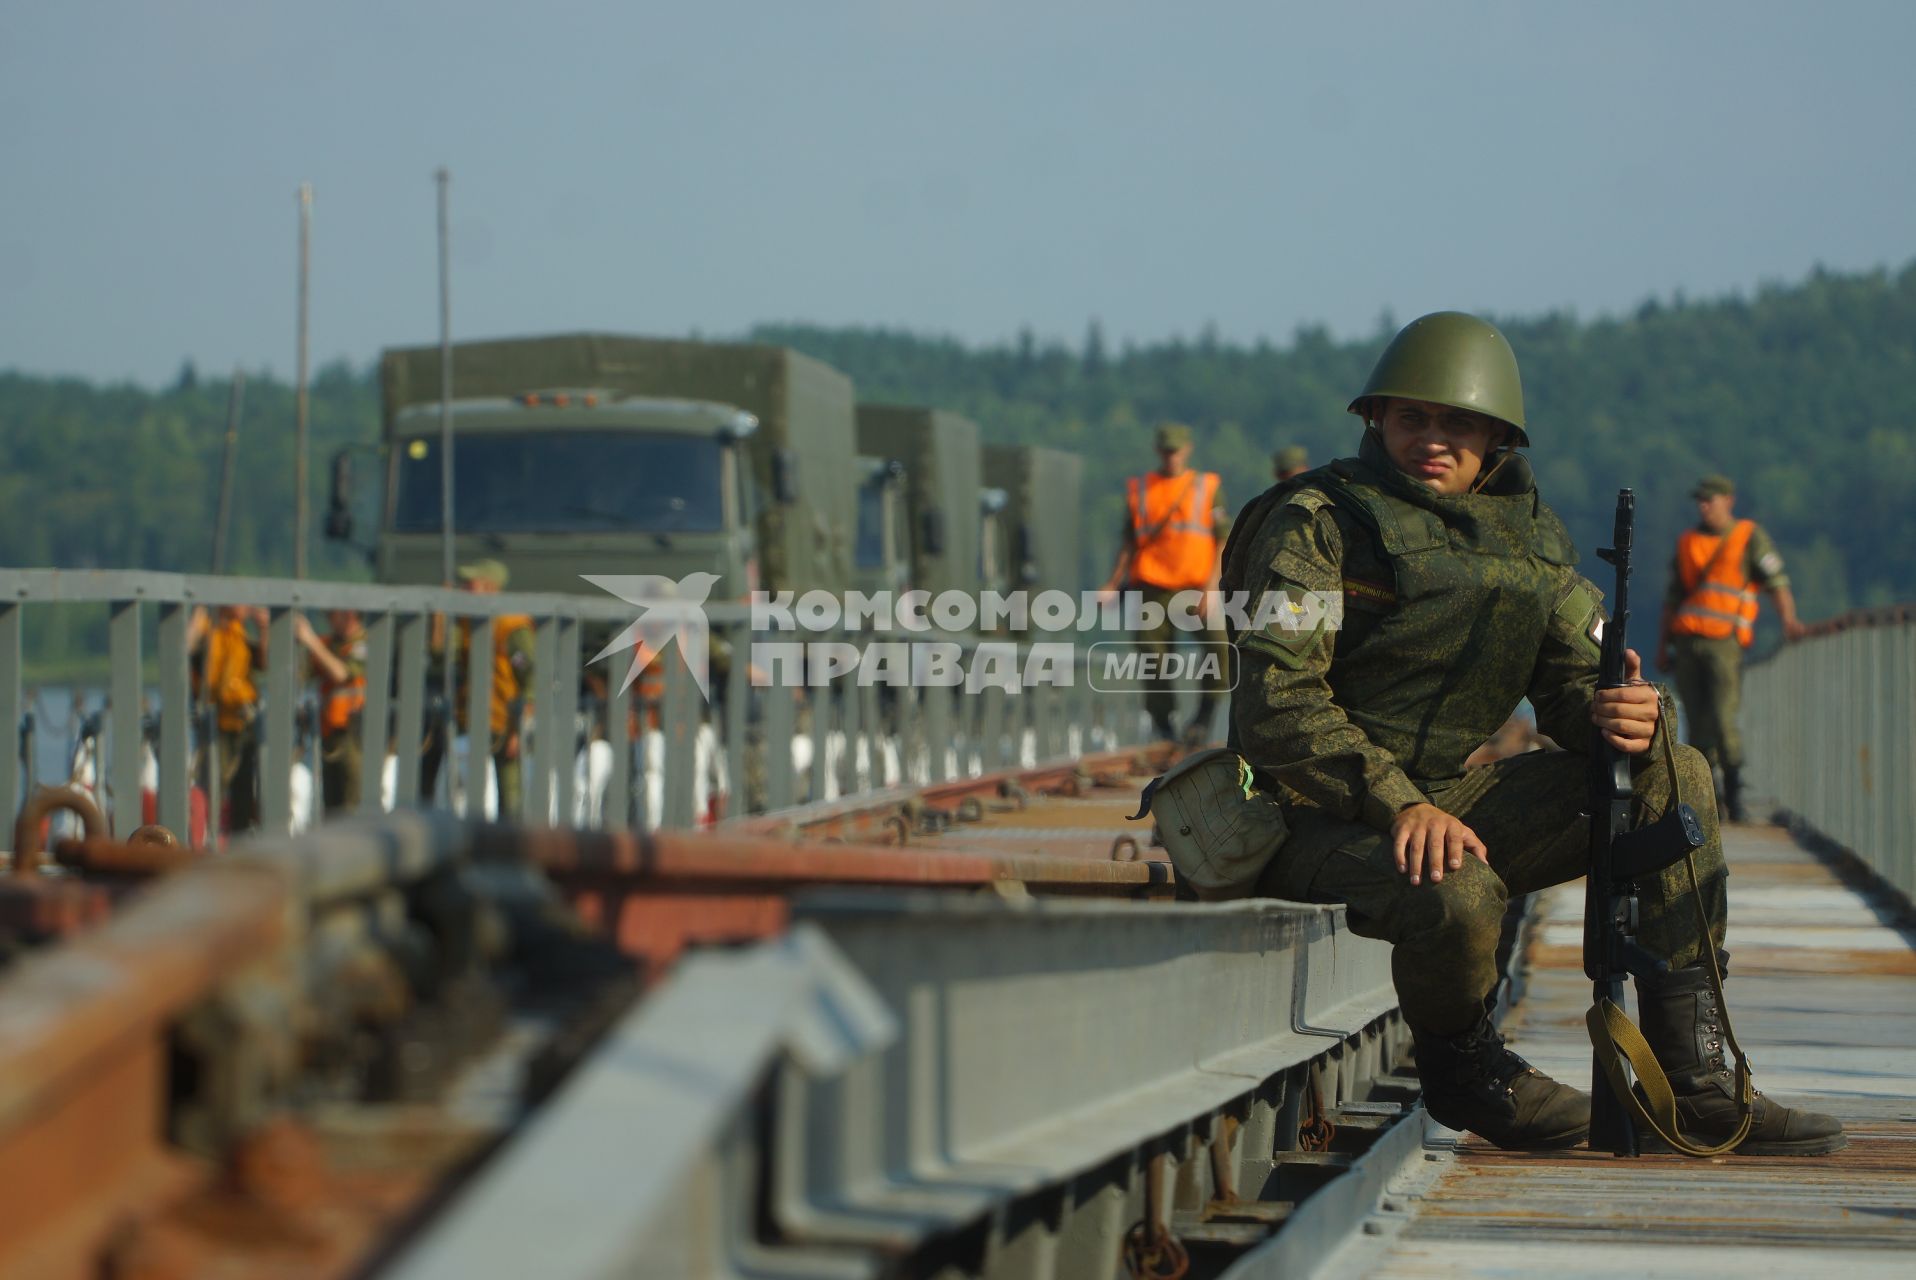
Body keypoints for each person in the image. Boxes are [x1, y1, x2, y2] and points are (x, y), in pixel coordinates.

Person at [1222, 311, 1842, 1156]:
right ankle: (1468, 1072)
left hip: (1439, 798)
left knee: (1675, 767)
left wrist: (1622, 708)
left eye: (1457, 424)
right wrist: (1401, 804)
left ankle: (1695, 1080)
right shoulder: (1317, 520)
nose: (1432, 440)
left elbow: (1571, 682)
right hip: (1311, 817)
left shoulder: (1527, 538)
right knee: (1462, 890)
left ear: (1496, 440)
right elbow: (1278, 705)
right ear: (1376, 420)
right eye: (1412, 419)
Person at [1656, 474, 1804, 822]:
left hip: (1725, 644)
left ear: (1729, 501)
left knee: (1724, 720)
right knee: (1697, 725)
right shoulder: (1688, 542)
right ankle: (1708, 801)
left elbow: (1776, 582)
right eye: (1700, 501)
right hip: (1688, 643)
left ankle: (1735, 798)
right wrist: (1663, 647)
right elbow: (1672, 600)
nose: (1704, 506)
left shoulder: (1747, 537)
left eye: (1711, 499)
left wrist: (1790, 622)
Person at [1101, 423, 1230, 745]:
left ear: (1187, 449)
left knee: (1221, 647)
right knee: (1151, 657)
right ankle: (1164, 725)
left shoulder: (1207, 486)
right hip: (1151, 584)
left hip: (1197, 585)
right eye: (1166, 450)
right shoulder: (1141, 488)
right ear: (1158, 451)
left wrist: (1212, 587)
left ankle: (1203, 718)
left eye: (1176, 450)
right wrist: (1112, 582)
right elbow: (1129, 542)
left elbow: (1222, 539)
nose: (1171, 456)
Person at [429, 559, 535, 819]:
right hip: (474, 722)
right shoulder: (466, 622)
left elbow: (532, 679)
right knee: (463, 795)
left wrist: (520, 730)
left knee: (510, 798)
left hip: (505, 723)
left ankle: (512, 851)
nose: (464, 589)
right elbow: (440, 655)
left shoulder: (512, 627)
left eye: (470, 584)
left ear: (490, 587)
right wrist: (441, 614)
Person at [196, 604, 264, 834]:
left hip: (243, 724)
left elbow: (266, 662)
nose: (247, 605)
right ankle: (206, 836)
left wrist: (265, 627)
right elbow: (184, 649)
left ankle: (240, 836)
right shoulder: (208, 632)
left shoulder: (242, 636)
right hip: (215, 725)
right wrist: (200, 615)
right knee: (210, 785)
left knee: (245, 789)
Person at [296, 609, 367, 815]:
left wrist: (310, 640)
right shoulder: (328, 644)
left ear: (350, 615)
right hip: (329, 735)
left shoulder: (365, 644)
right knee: (331, 807)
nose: (329, 620)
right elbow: (302, 673)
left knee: (352, 803)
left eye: (332, 615)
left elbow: (342, 674)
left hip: (355, 737)